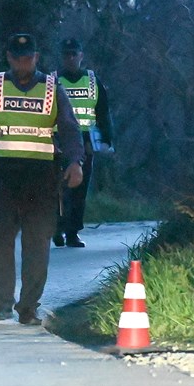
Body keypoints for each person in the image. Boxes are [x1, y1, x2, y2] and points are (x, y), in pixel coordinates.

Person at [0, 33, 84, 325]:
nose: (24, 63)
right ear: (9, 57)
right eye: (18, 58)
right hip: (1, 175)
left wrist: (75, 161)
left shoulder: (51, 89)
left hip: (41, 177)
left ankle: (29, 307)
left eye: (29, 57)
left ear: (36, 57)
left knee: (38, 241)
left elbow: (70, 129)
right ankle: (1, 303)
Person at [51, 38, 115, 248]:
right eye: (66, 54)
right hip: (57, 140)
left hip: (85, 141)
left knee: (79, 188)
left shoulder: (92, 81)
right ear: (62, 57)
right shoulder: (51, 81)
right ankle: (56, 228)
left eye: (73, 54)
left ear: (81, 56)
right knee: (56, 187)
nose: (70, 58)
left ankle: (72, 232)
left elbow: (103, 111)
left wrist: (106, 139)